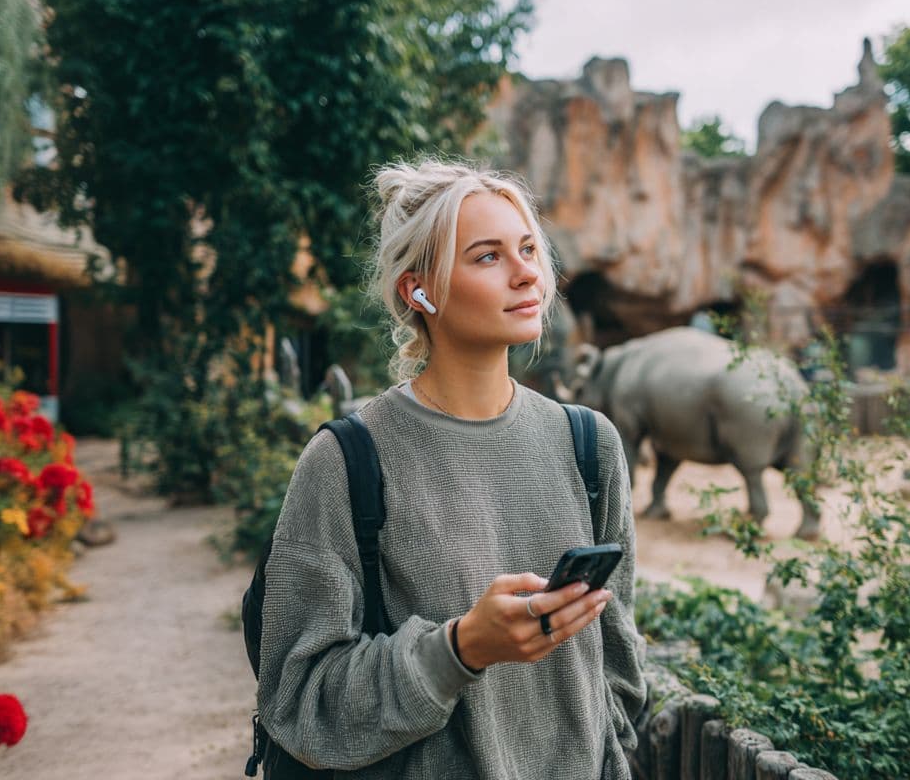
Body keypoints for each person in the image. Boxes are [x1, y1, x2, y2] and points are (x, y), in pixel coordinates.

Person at [256, 159, 647, 779]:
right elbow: (300, 698)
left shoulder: (588, 444)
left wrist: (606, 753)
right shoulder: (346, 460)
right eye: (488, 257)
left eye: (527, 249)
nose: (527, 273)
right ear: (419, 290)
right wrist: (459, 649)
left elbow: (619, 658)